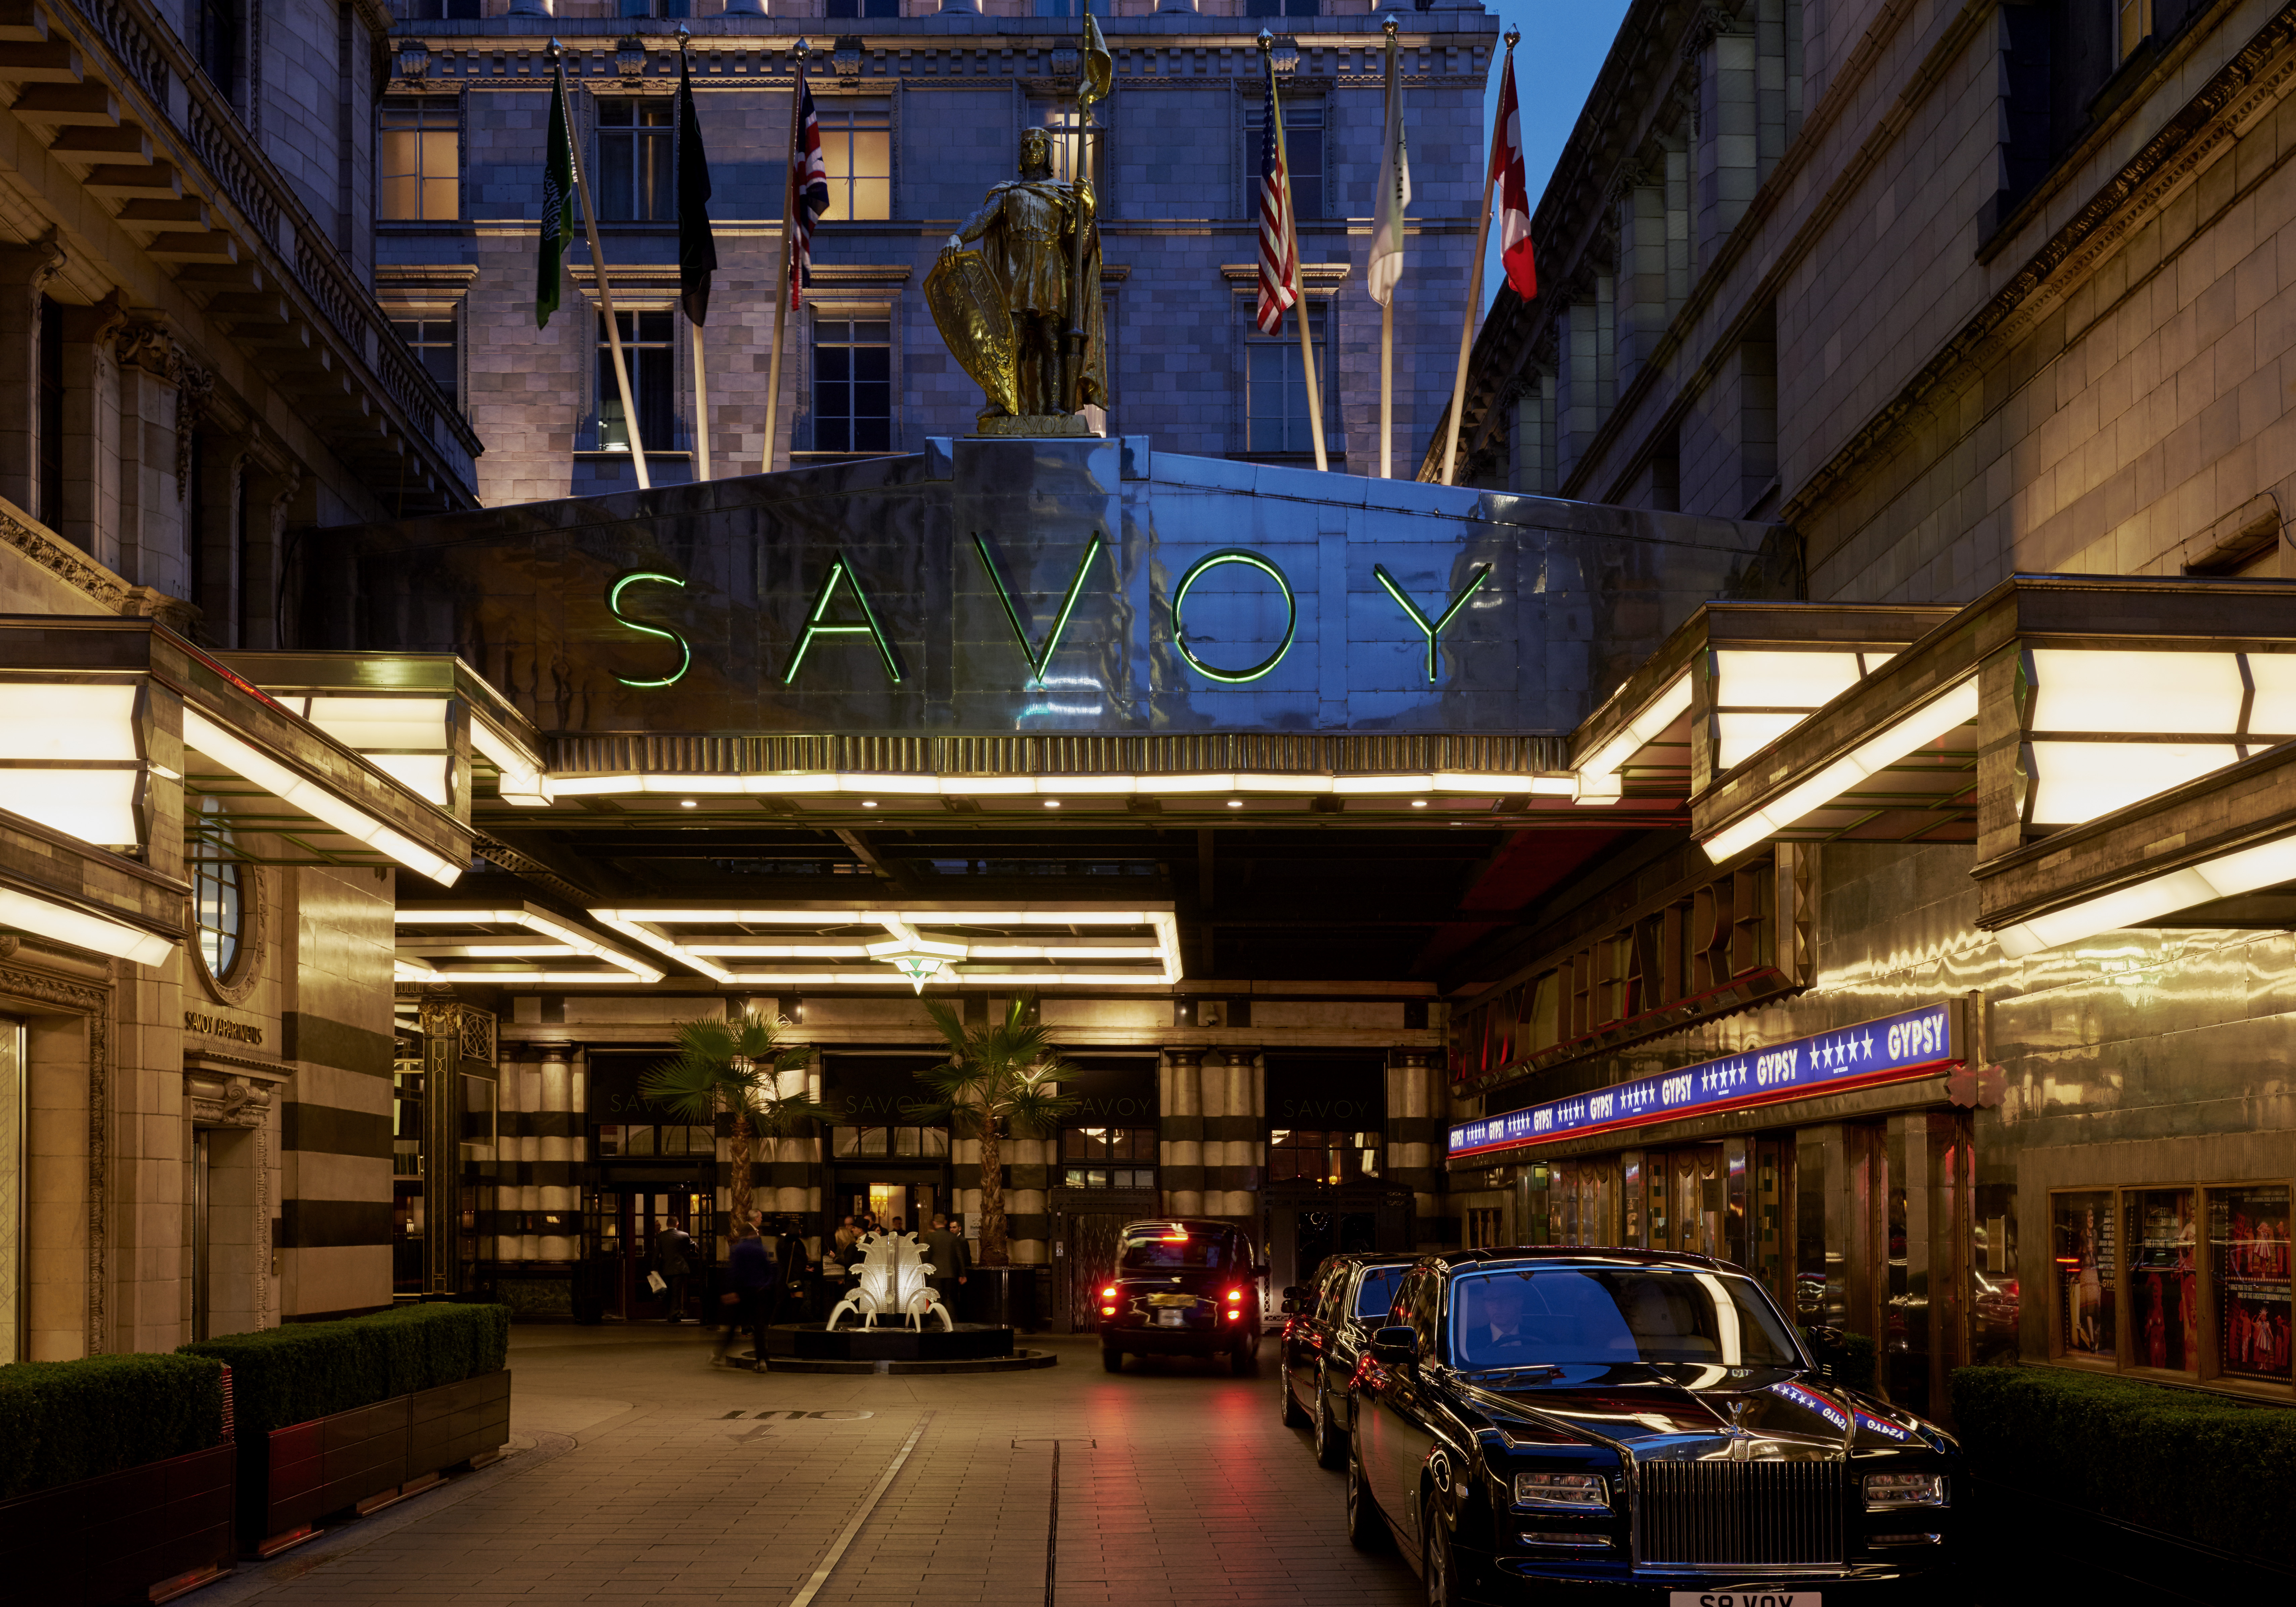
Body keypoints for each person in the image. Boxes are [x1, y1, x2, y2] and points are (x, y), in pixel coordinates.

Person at [717, 1221, 772, 1367]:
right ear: (752, 1234)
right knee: (759, 1328)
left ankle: (719, 1355)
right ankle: (762, 1361)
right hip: (757, 1292)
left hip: (741, 1293)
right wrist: (764, 1286)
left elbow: (734, 1272)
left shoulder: (737, 1250)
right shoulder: (761, 1250)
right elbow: (769, 1271)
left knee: (733, 1325)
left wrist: (730, 1291)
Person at [919, 1211, 969, 1321]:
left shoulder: (930, 1237)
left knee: (936, 1299)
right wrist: (963, 1274)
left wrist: (923, 1273)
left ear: (934, 1223)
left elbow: (927, 1256)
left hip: (934, 1275)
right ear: (946, 1223)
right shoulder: (953, 1237)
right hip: (951, 1274)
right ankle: (950, 1324)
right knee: (950, 1299)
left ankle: (937, 1324)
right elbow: (959, 1256)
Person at [654, 1220, 696, 1324]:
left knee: (666, 1292)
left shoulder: (661, 1236)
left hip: (665, 1268)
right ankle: (673, 1315)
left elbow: (656, 1253)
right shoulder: (684, 1235)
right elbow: (694, 1246)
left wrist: (654, 1268)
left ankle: (668, 1314)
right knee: (676, 1293)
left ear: (667, 1224)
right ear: (678, 1224)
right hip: (679, 1268)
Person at [772, 1216, 812, 1326]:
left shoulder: (783, 1242)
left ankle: (783, 1324)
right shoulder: (797, 1243)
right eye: (799, 1230)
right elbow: (801, 1259)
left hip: (785, 1277)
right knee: (797, 1302)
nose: (800, 1232)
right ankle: (791, 1324)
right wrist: (806, 1259)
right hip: (795, 1278)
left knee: (788, 1302)